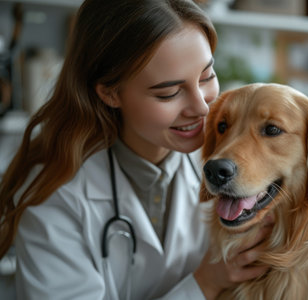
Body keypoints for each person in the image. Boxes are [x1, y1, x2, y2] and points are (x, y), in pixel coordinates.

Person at [0, 0, 272, 299]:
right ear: (110, 92)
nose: (201, 107)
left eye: (207, 76)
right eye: (169, 92)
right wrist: (205, 283)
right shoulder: (56, 193)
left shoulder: (225, 159)